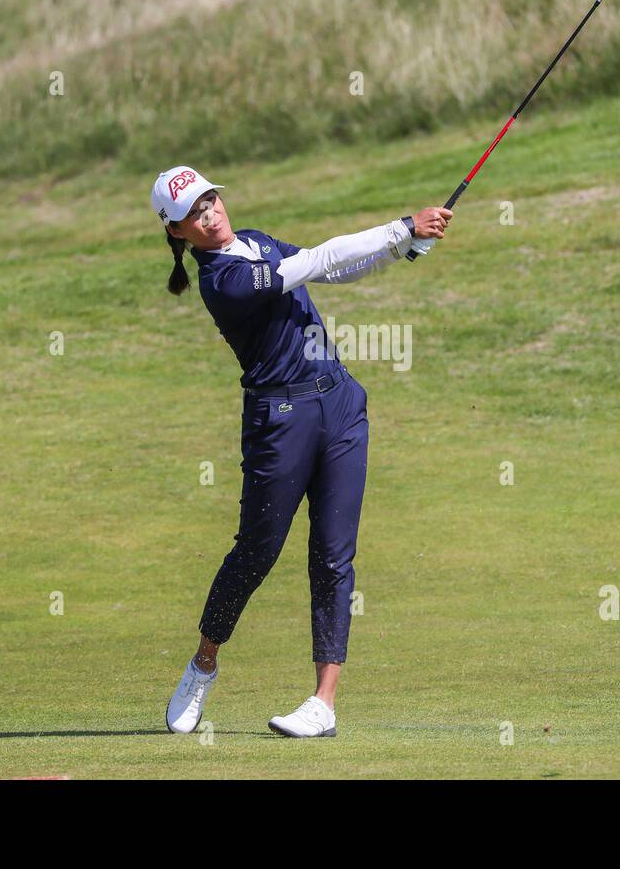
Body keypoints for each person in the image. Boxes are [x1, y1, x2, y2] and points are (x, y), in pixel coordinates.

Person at [155, 165, 451, 737]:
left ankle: (323, 703)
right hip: (279, 420)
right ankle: (204, 662)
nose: (209, 212)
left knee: (334, 556)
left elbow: (335, 268)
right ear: (178, 233)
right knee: (256, 552)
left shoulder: (259, 241)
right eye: (194, 212)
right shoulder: (224, 280)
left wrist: (405, 245)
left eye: (210, 199)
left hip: (339, 405)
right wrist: (398, 228)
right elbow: (314, 260)